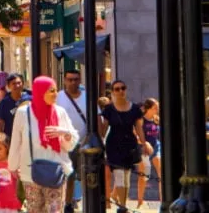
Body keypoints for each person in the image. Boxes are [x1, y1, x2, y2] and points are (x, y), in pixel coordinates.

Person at [8, 76, 78, 213]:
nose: (55, 94)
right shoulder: (23, 113)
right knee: (34, 210)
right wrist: (12, 166)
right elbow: (16, 142)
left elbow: (70, 144)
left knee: (54, 210)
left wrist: (64, 133)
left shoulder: (60, 112)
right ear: (40, 92)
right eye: (51, 91)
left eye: (56, 90)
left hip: (56, 171)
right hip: (30, 172)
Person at [99, 79, 147, 213]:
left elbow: (139, 128)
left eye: (123, 88)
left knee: (126, 176)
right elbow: (103, 129)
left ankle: (123, 205)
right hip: (114, 144)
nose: (120, 91)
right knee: (119, 175)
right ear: (113, 92)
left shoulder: (135, 109)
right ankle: (122, 206)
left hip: (129, 145)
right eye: (117, 89)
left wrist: (144, 144)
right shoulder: (109, 109)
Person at [56, 69, 89, 213]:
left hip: (83, 143)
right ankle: (66, 203)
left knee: (84, 175)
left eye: (75, 79)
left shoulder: (87, 97)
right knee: (66, 175)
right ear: (65, 81)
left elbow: (97, 118)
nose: (73, 82)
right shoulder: (58, 97)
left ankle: (82, 202)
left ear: (80, 80)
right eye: (70, 79)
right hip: (63, 145)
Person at [138, 98, 162, 205]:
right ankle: (140, 201)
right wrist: (144, 143)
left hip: (156, 147)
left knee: (161, 173)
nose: (157, 109)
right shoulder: (141, 120)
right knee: (144, 176)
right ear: (148, 109)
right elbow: (135, 134)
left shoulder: (156, 119)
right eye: (155, 107)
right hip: (145, 149)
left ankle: (162, 200)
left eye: (157, 107)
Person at [0, 73, 31, 141]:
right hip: (11, 139)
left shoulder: (31, 99)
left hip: (28, 139)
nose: (17, 85)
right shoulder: (4, 103)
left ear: (23, 84)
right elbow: (0, 124)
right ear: (8, 86)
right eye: (14, 84)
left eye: (19, 83)